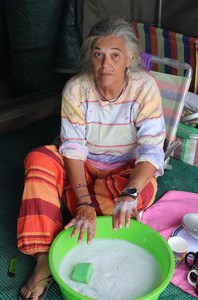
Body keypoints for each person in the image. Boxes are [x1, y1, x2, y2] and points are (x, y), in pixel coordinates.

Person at [17, 17, 166, 300]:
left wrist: (130, 192)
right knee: (39, 160)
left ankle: (71, 210)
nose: (105, 64)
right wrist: (84, 199)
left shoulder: (145, 88)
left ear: (129, 59)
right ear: (90, 57)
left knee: (137, 192)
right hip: (83, 169)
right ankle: (44, 259)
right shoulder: (76, 89)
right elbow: (72, 149)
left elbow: (151, 150)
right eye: (98, 54)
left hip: (126, 172)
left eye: (115, 55)